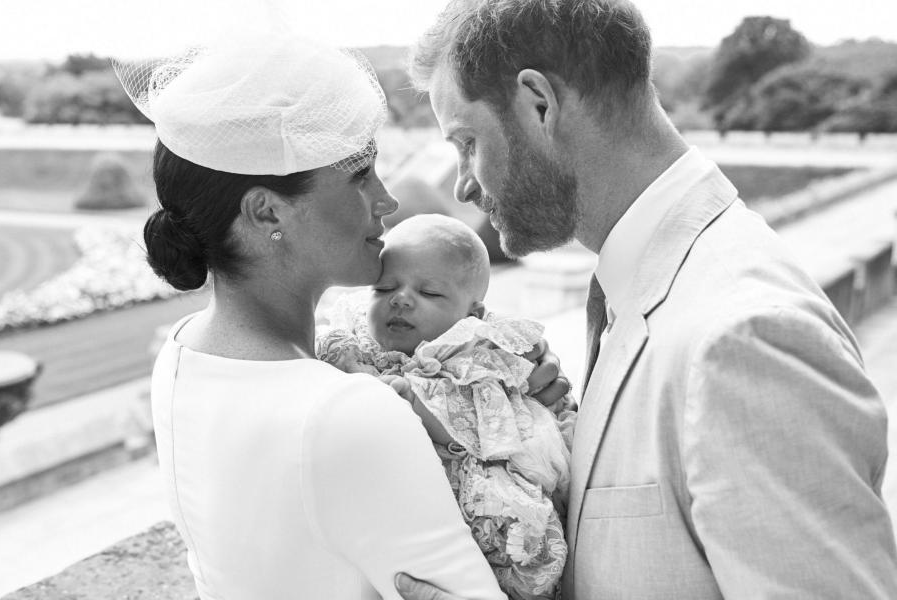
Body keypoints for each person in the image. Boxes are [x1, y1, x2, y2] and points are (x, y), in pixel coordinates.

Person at [395, 1, 897, 599]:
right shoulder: (647, 286)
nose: (463, 184)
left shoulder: (746, 336)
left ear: (538, 104)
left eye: (467, 141)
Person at [115, 30, 567, 600]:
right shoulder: (347, 411)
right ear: (265, 210)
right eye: (360, 176)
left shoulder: (182, 352)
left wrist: (487, 374)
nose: (387, 200)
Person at [317, 214, 575, 600]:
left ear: (471, 316)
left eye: (431, 293)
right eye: (384, 287)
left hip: (473, 490)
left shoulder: (475, 355)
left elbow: (482, 428)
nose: (401, 298)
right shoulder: (353, 341)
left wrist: (411, 403)